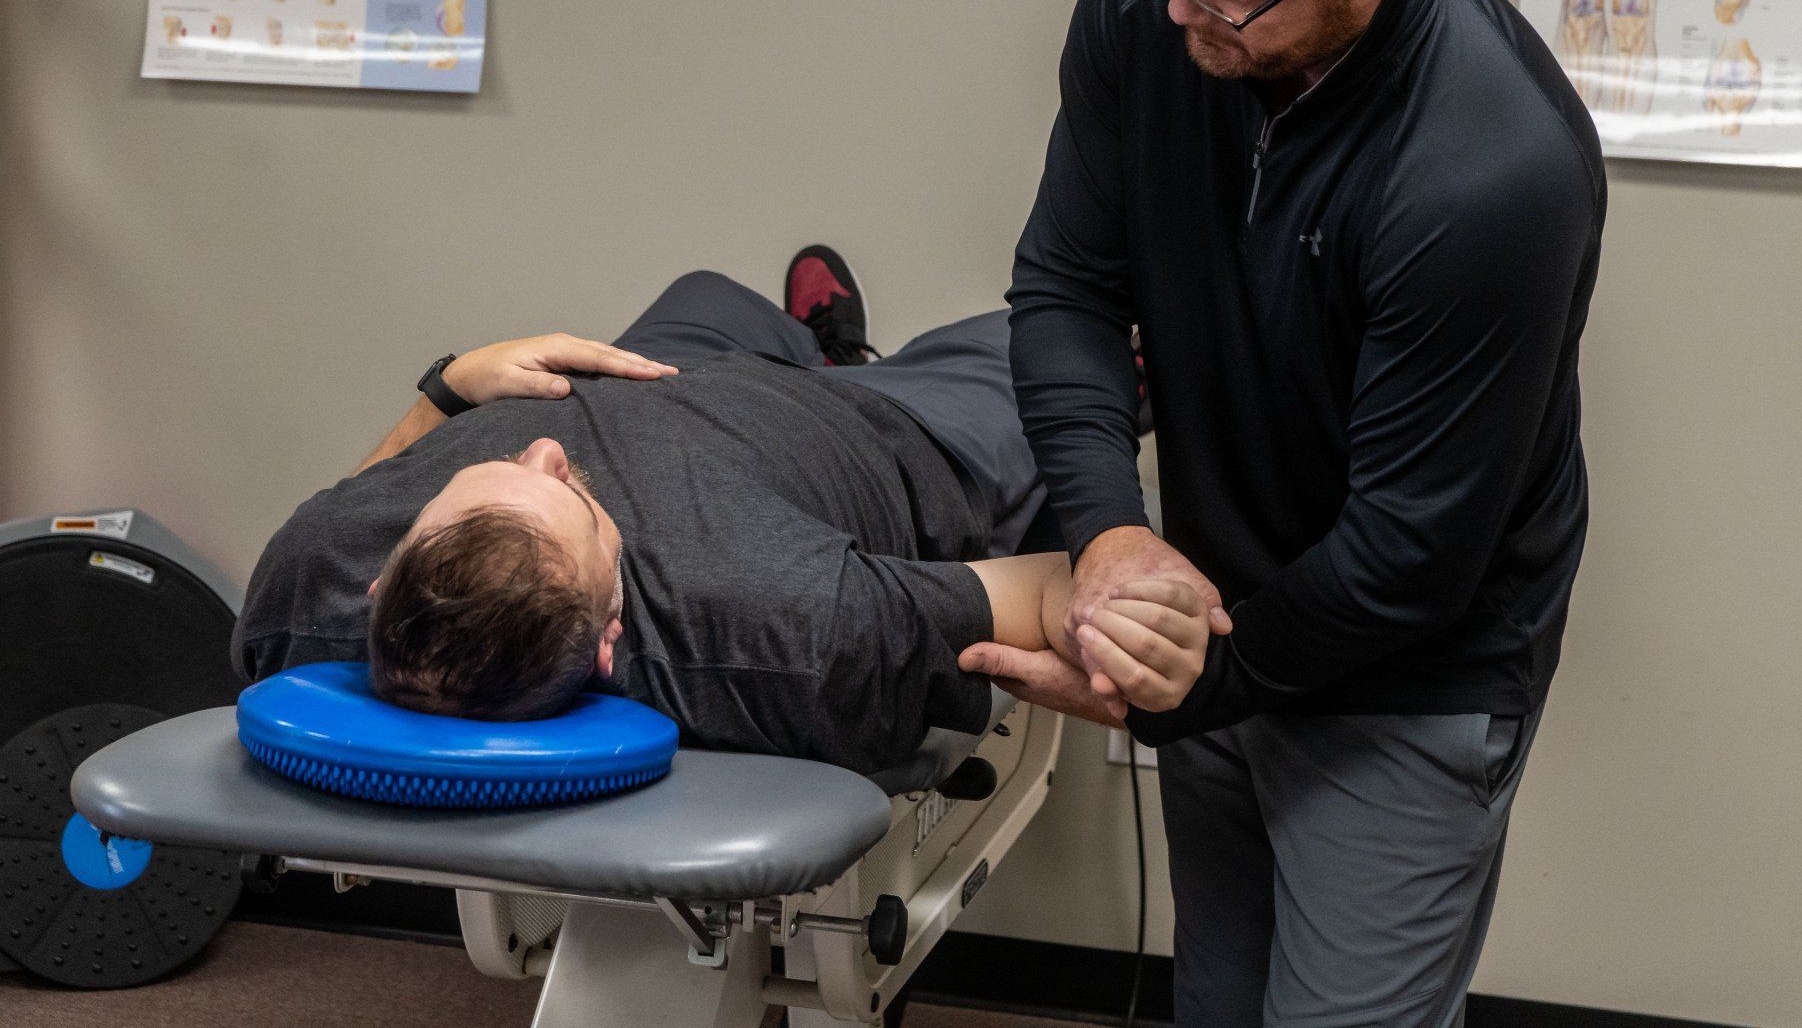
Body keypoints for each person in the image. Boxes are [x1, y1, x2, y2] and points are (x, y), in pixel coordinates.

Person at [962, 0, 1607, 1025]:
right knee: (1218, 996)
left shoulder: (1493, 169)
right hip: (1208, 593)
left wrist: (1171, 677)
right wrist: (1112, 540)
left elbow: (1408, 556)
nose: (1175, 16)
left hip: (1407, 668)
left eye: (1229, 0)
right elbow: (1069, 284)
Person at [232, 250, 1209, 774]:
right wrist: (1123, 612)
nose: (539, 445)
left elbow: (371, 480)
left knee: (709, 288)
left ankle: (820, 341)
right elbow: (1036, 588)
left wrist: (448, 393)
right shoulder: (785, 623)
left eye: (480, 472)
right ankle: (847, 364)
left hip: (661, 363)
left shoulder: (305, 580)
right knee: (1062, 343)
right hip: (887, 436)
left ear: (380, 579)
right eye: (566, 492)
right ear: (611, 638)